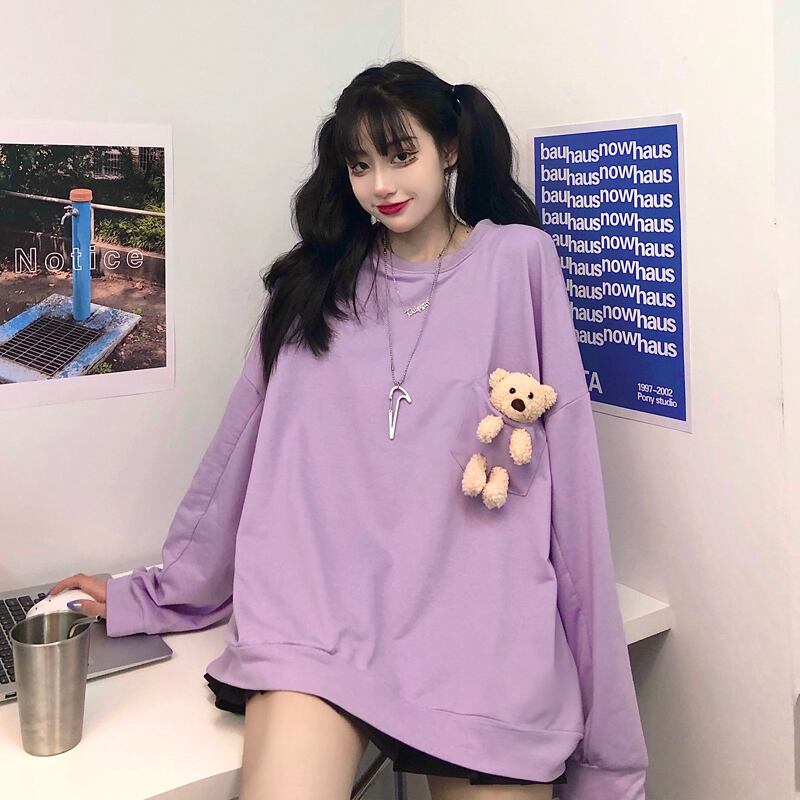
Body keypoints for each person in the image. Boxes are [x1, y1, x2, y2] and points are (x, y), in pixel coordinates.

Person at [46, 59, 649, 800]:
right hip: (318, 624)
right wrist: (160, 592)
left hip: (479, 633)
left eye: (400, 155)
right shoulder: (314, 285)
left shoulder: (518, 263)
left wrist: (610, 758)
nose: (381, 185)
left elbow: (572, 486)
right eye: (361, 165)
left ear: (450, 148)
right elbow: (238, 450)